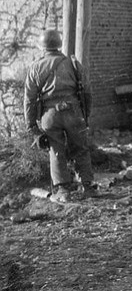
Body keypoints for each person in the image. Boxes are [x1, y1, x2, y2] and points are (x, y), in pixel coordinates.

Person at [24, 29, 95, 203]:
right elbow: (87, 92)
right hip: (73, 111)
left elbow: (29, 99)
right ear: (59, 44)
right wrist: (85, 115)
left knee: (55, 150)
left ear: (42, 46)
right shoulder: (73, 63)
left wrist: (31, 125)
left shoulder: (35, 67)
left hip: (50, 115)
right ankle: (88, 187)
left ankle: (63, 191)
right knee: (81, 148)